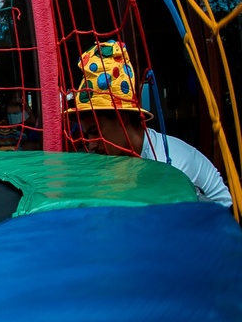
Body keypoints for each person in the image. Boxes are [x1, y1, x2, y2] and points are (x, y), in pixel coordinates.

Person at [69, 40, 230, 204]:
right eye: (86, 136)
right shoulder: (128, 155)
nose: (91, 146)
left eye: (95, 132)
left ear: (121, 119)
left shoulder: (168, 164)